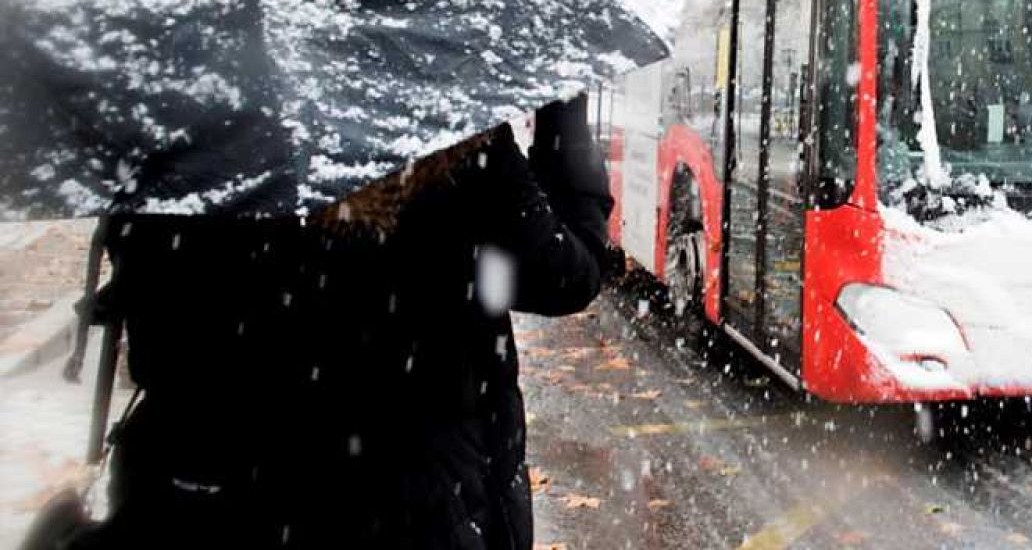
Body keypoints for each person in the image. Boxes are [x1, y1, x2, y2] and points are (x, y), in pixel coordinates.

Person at [55, 96, 614, 549]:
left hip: (204, 501)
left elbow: (157, 329)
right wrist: (564, 110)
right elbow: (565, 277)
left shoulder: (173, 116)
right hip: (409, 507)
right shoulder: (435, 124)